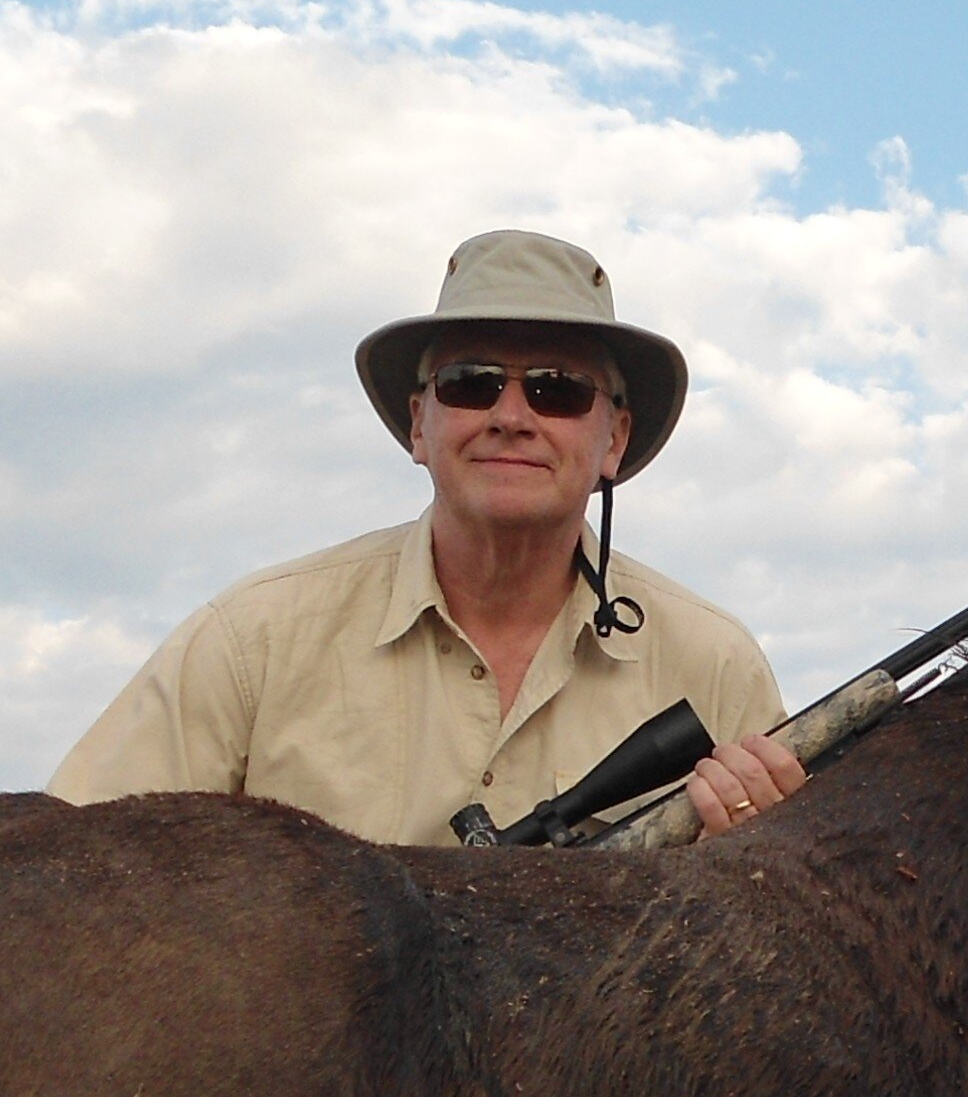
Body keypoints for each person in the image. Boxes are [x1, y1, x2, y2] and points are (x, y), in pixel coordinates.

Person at [49, 230, 805, 845]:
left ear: (614, 441)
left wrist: (756, 869)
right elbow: (65, 868)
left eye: (558, 389)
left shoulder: (717, 669)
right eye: (471, 382)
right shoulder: (254, 641)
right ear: (419, 423)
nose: (512, 414)